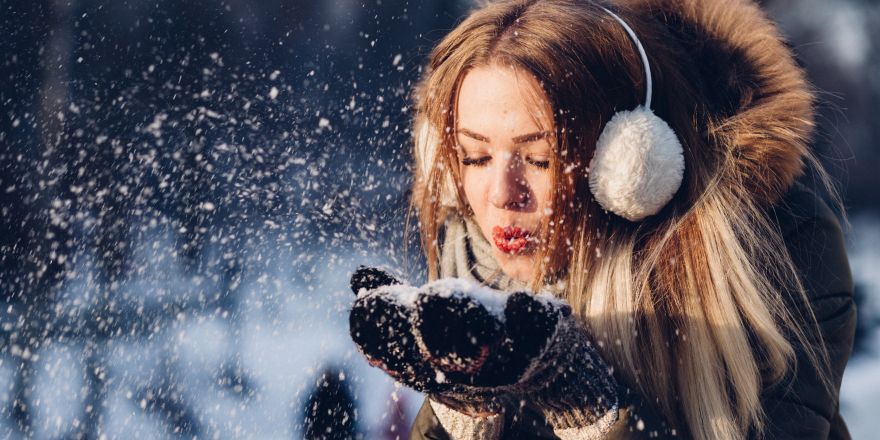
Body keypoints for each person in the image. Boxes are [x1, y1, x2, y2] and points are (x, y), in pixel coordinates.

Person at [349, 0, 857, 439]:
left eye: (540, 159)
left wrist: (588, 411)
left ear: (630, 163)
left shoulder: (776, 251)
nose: (502, 195)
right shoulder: (470, 261)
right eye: (475, 157)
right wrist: (464, 412)